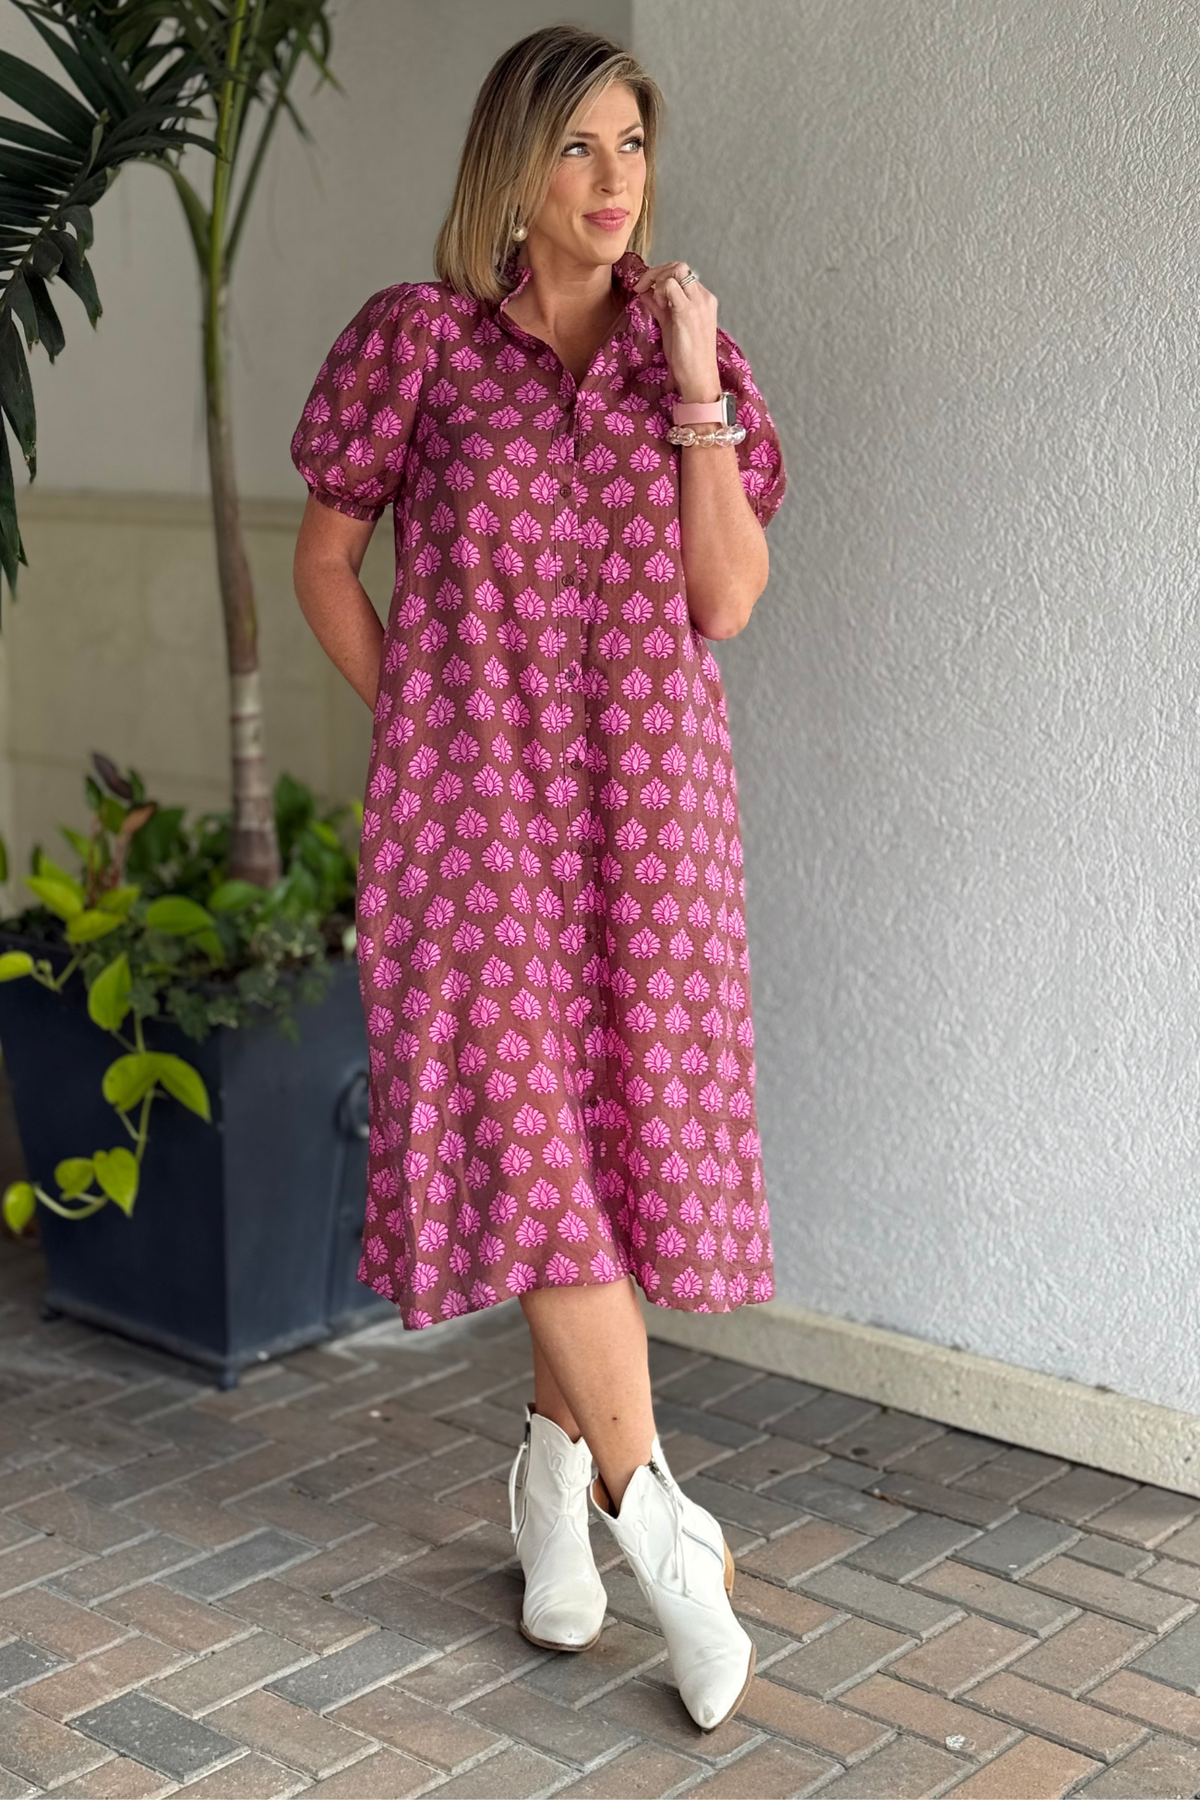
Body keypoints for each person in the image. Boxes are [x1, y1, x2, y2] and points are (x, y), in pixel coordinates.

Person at [290, 23, 787, 1734]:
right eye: (578, 146)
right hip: (475, 827)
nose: (611, 179)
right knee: (531, 1154)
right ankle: (670, 1542)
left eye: (631, 145)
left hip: (653, 824)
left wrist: (700, 384)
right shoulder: (418, 343)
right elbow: (328, 558)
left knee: (605, 1156)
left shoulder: (685, 358)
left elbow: (727, 599)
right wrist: (424, 726)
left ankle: (549, 1491)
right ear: (514, 168)